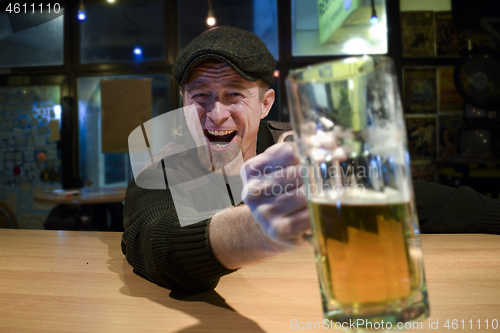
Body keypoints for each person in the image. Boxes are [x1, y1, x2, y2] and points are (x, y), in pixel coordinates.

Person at [121, 27, 500, 293]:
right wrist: (259, 226)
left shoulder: (297, 149)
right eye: (199, 96)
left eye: (233, 95)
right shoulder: (169, 159)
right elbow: (154, 240)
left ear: (266, 103)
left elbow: (416, 200)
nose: (215, 114)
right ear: (183, 101)